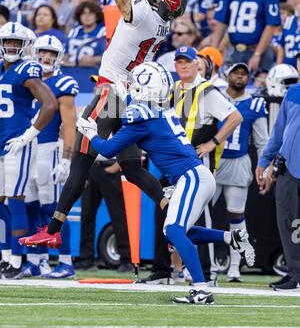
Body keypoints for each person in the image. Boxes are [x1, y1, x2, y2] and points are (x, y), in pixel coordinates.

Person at [20, 0, 187, 249]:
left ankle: (53, 228)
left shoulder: (142, 12)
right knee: (130, 167)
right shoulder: (160, 24)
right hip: (129, 96)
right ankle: (168, 202)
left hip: (112, 92)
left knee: (82, 155)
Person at [75, 61, 252, 304]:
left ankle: (201, 289)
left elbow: (107, 149)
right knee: (178, 232)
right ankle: (231, 238)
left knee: (174, 230)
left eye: (135, 84)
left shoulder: (141, 117)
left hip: (190, 177)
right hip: (195, 176)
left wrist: (90, 131)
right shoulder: (162, 109)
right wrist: (123, 90)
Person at [140, 49, 243, 286]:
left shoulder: (206, 90)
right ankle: (162, 270)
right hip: (173, 162)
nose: (183, 66)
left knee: (201, 216)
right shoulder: (173, 89)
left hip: (195, 159)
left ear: (197, 64)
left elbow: (235, 117)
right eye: (179, 62)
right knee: (163, 211)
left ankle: (208, 273)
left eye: (188, 62)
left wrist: (213, 143)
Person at [0, 22, 57, 279]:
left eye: (16, 42)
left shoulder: (27, 69)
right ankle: (4, 256)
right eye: (7, 42)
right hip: (2, 143)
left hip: (18, 144)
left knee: (15, 199)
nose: (11, 46)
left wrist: (29, 135)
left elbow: (50, 104)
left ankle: (16, 260)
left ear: (25, 46)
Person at [21, 35, 79, 278]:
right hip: (27, 149)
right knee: (30, 205)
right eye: (43, 52)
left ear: (59, 57)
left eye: (51, 54)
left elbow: (69, 125)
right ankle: (37, 258)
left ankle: (65, 261)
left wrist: (66, 158)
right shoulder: (27, 79)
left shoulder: (63, 83)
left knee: (53, 209)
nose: (46, 57)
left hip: (49, 149)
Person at [213, 62, 268, 282]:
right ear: (227, 75)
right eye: (236, 72)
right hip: (214, 161)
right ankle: (203, 264)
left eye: (244, 73)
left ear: (249, 78)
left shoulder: (255, 104)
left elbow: (263, 140)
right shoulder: (214, 96)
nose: (239, 76)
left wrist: (264, 169)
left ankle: (235, 266)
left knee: (236, 214)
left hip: (238, 161)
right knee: (202, 213)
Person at [256, 52, 300, 291]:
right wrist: (264, 161)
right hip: (288, 169)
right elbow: (279, 132)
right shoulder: (292, 93)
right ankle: (295, 273)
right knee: (288, 223)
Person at [75, 159, 131, 272]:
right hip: (91, 168)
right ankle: (86, 259)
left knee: (118, 216)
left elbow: (128, 143)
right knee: (87, 215)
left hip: (109, 167)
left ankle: (126, 259)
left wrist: (116, 166)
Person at [64, 1, 106, 68]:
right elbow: (65, 53)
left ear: (97, 16)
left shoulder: (103, 32)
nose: (87, 16)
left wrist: (94, 60)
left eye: (91, 13)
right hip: (70, 69)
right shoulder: (74, 31)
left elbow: (108, 57)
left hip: (92, 71)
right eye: (83, 13)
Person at [276, 0, 300, 67]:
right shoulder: (289, 20)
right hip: (288, 66)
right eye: (299, 4)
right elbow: (281, 47)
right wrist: (278, 66)